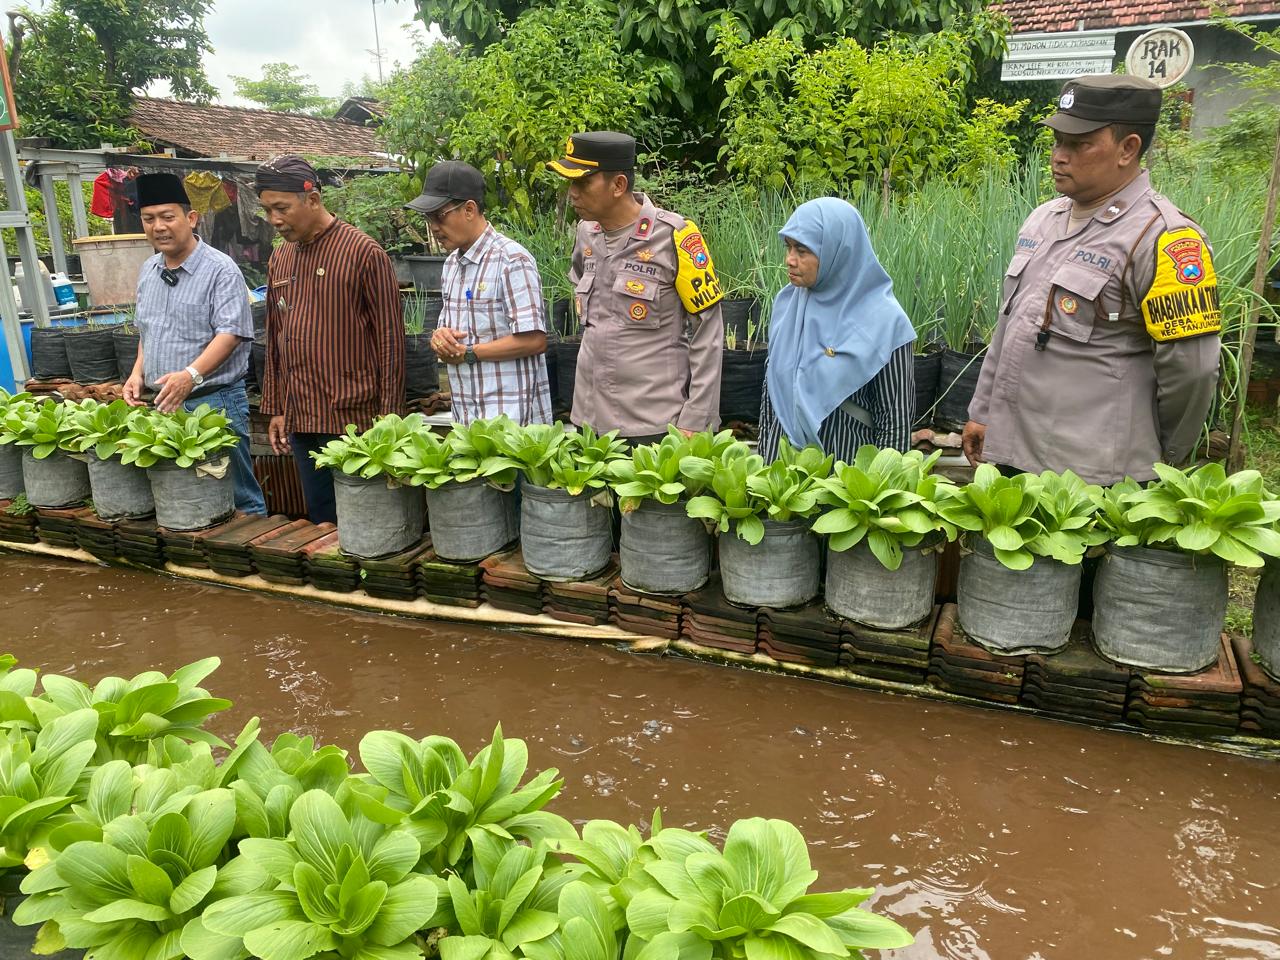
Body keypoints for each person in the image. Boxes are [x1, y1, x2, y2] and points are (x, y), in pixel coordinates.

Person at [963, 75, 1221, 487]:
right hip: (1014, 456)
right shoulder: (1044, 220)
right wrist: (983, 411)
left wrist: (1163, 456)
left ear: (1128, 148)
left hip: (1094, 475)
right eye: (1057, 141)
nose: (1058, 157)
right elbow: (1010, 325)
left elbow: (1192, 370)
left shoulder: (1164, 239)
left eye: (1079, 144)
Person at [546, 132, 724, 444]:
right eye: (570, 183)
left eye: (583, 183)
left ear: (618, 185)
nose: (572, 193)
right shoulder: (585, 234)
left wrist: (696, 418)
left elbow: (708, 330)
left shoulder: (674, 237)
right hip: (589, 420)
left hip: (652, 425)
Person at [255, 155, 405, 523]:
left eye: (282, 208)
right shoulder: (280, 259)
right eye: (267, 210)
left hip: (354, 417)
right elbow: (275, 336)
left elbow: (390, 341)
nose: (275, 220)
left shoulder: (363, 252)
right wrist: (276, 407)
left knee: (366, 518)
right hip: (302, 414)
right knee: (322, 518)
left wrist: (390, 418)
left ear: (313, 200)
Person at [124, 172, 266, 516]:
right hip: (164, 402)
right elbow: (148, 329)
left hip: (212, 401)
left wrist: (190, 375)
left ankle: (251, 557)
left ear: (190, 218)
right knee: (185, 493)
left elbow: (230, 333)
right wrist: (136, 373)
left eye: (168, 217)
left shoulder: (220, 270)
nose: (159, 226)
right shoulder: (148, 269)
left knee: (237, 493)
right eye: (149, 218)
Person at [757, 198, 916, 462]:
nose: (790, 260)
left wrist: (880, 493)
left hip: (847, 486)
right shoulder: (788, 307)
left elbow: (894, 421)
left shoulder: (886, 323)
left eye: (802, 250)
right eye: (788, 248)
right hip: (782, 486)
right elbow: (770, 399)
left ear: (837, 251)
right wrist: (765, 468)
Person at [406, 161, 552, 425]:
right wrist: (439, 338)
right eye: (428, 219)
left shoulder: (511, 259)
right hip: (467, 420)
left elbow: (534, 340)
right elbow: (447, 332)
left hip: (511, 424)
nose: (434, 227)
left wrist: (470, 352)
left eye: (439, 216)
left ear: (470, 209)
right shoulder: (451, 264)